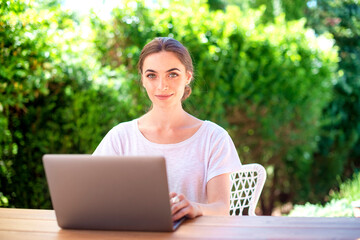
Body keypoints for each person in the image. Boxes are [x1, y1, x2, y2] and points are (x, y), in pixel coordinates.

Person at [93, 37, 242, 221]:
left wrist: (194, 207)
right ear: (143, 80)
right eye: (151, 75)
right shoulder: (120, 137)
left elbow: (221, 208)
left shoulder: (214, 138)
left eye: (172, 74)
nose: (162, 85)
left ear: (188, 76)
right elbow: (95, 197)